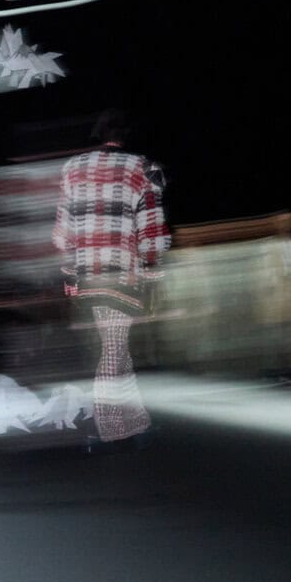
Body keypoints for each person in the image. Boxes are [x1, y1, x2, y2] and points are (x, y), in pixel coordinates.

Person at [52, 111, 167, 449]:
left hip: (88, 274)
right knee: (114, 349)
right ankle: (110, 428)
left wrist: (69, 276)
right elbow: (152, 230)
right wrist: (154, 276)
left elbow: (63, 232)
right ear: (127, 134)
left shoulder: (72, 169)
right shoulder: (144, 168)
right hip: (121, 273)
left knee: (117, 346)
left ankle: (136, 420)